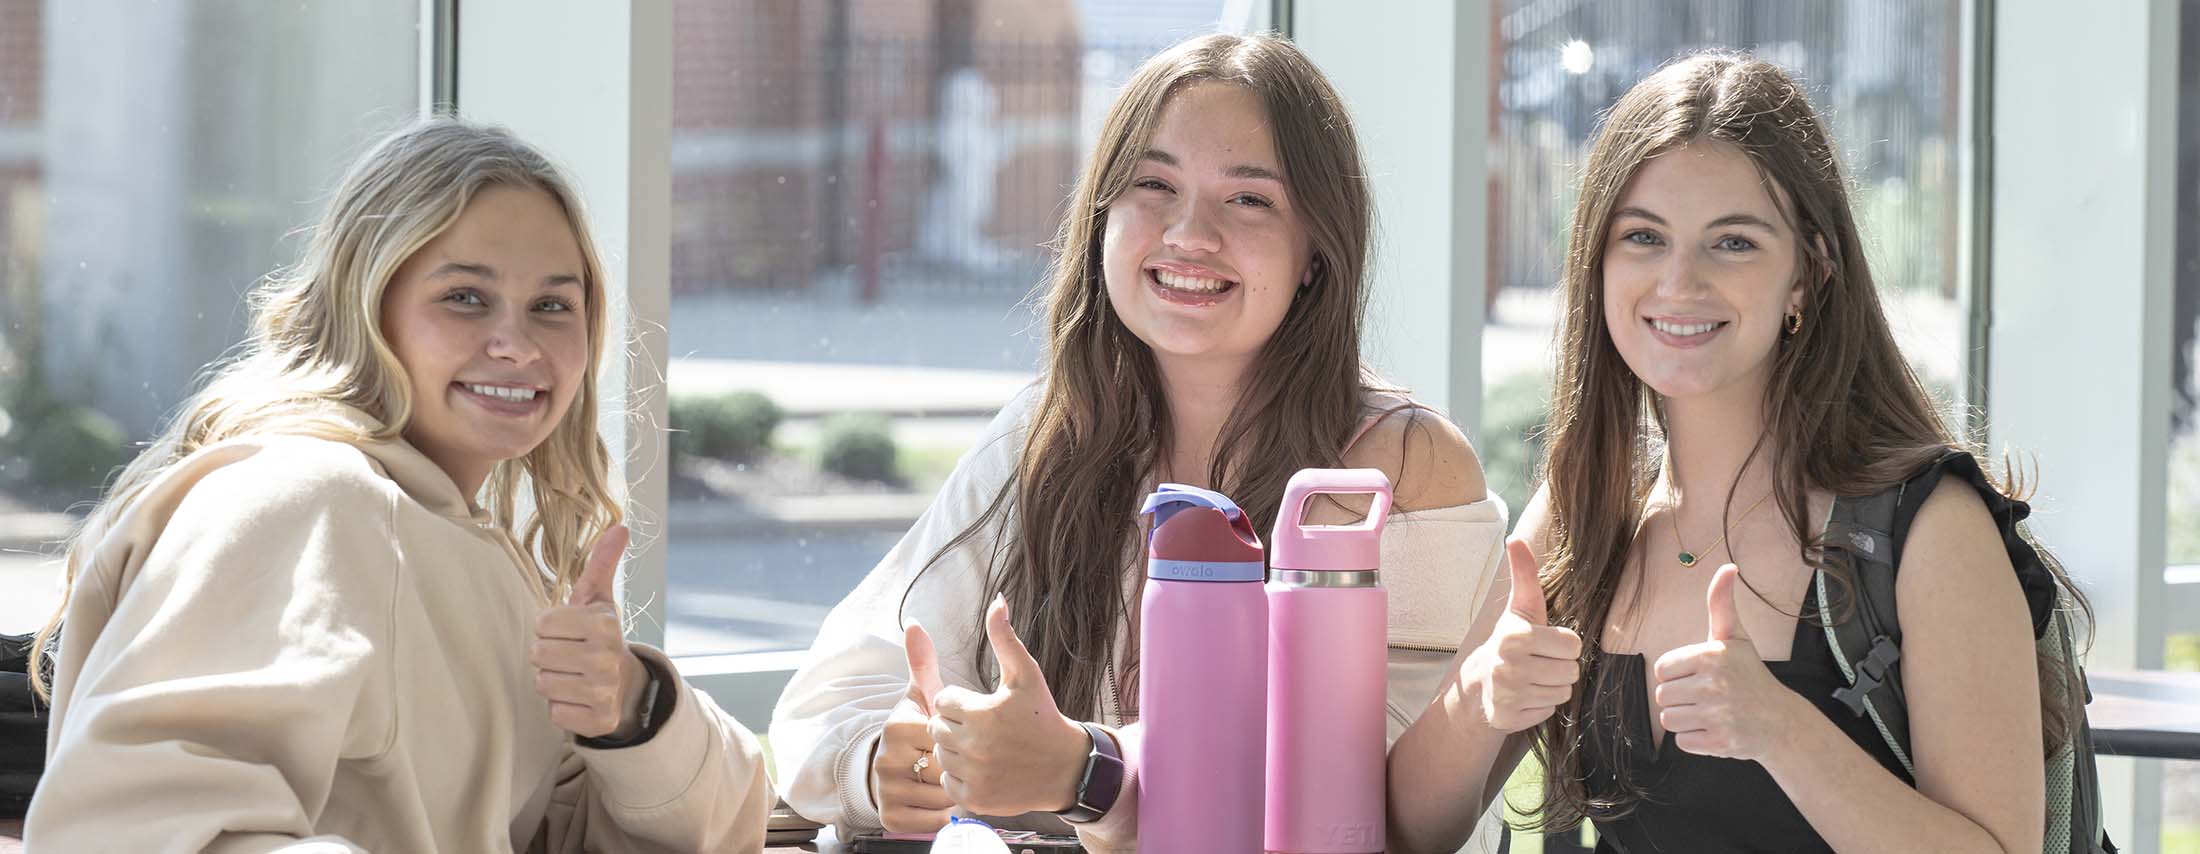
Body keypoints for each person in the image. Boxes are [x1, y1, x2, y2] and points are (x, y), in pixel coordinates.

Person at [770, 31, 1512, 852]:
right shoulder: (1045, 434)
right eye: (1153, 185)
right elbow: (838, 688)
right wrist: (885, 761)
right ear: (1101, 218)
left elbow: (1377, 802)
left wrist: (1085, 770)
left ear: (1315, 252)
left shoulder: (1398, 468)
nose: (1189, 233)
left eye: (1249, 199)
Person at [1386, 51, 2082, 853]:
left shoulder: (1928, 529)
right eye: (1644, 237)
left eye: (1734, 243)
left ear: (1808, 275)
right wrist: (1479, 697)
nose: (1680, 282)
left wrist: (1783, 730)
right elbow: (1404, 833)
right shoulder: (1586, 510)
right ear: (1597, 263)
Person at [25, 117, 771, 853]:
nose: (517, 345)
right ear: (364, 304)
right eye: (465, 298)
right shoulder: (302, 499)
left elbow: (715, 826)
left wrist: (630, 708)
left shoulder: (465, 544)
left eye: (552, 305)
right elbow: (133, 832)